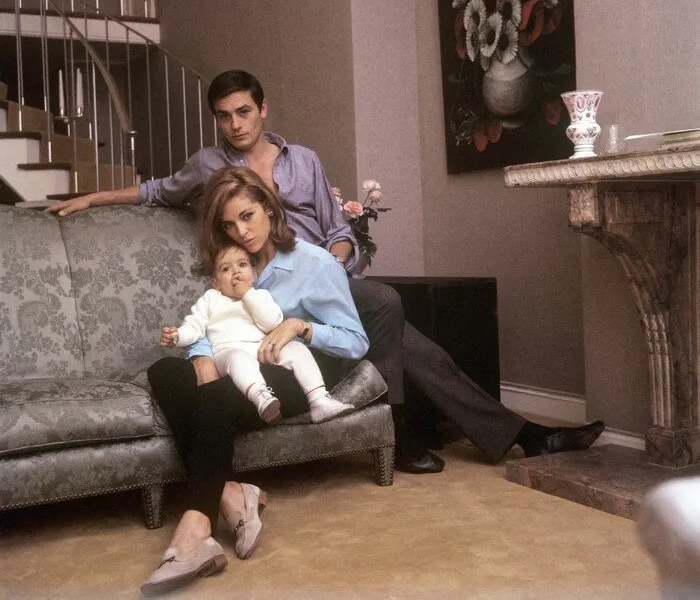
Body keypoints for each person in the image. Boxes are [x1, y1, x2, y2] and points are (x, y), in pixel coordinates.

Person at [46, 68, 605, 473]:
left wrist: (333, 267)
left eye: (244, 112)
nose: (235, 124)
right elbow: (155, 191)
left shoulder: (304, 159)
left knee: (403, 331)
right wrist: (91, 198)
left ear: (264, 110)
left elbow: (338, 230)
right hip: (274, 291)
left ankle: (474, 433)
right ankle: (443, 432)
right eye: (223, 116)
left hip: (322, 276)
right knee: (389, 308)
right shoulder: (210, 165)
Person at [140, 167, 369, 595]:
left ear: (269, 207)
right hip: (247, 361)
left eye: (247, 216)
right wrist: (202, 358)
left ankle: (196, 529)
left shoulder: (315, 264)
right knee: (164, 371)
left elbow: (356, 341)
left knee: (211, 401)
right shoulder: (235, 264)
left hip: (301, 367)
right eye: (229, 224)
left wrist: (300, 326)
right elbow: (214, 320)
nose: (241, 232)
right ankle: (231, 493)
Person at [161, 242, 355, 424]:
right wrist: (178, 336)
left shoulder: (260, 296)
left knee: (296, 348)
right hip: (227, 353)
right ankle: (261, 397)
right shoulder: (210, 299)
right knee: (238, 359)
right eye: (226, 269)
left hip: (261, 349)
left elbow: (272, 323)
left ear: (253, 274)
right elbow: (194, 326)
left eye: (242, 265)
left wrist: (248, 294)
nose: (236, 271)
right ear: (216, 283)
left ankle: (319, 399)